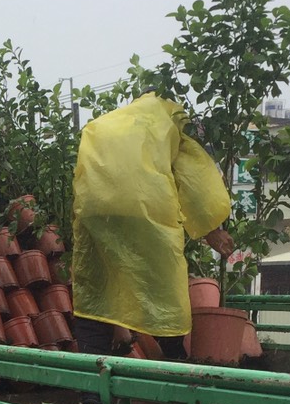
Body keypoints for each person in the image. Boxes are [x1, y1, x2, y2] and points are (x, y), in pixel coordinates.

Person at [71, 94, 234, 360]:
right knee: (163, 288)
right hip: (145, 208)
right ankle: (174, 364)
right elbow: (194, 181)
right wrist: (211, 230)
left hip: (95, 211)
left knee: (95, 289)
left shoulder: (102, 125)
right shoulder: (169, 121)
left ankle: (91, 388)